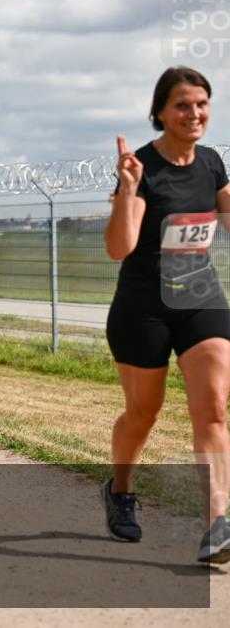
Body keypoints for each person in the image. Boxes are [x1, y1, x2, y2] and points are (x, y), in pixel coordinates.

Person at [103, 66, 230, 564]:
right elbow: (119, 248)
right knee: (143, 413)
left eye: (201, 103)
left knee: (214, 405)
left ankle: (218, 520)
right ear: (159, 112)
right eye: (182, 104)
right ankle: (119, 491)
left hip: (200, 297)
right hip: (143, 307)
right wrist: (128, 191)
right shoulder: (142, 167)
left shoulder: (214, 163)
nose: (194, 113)